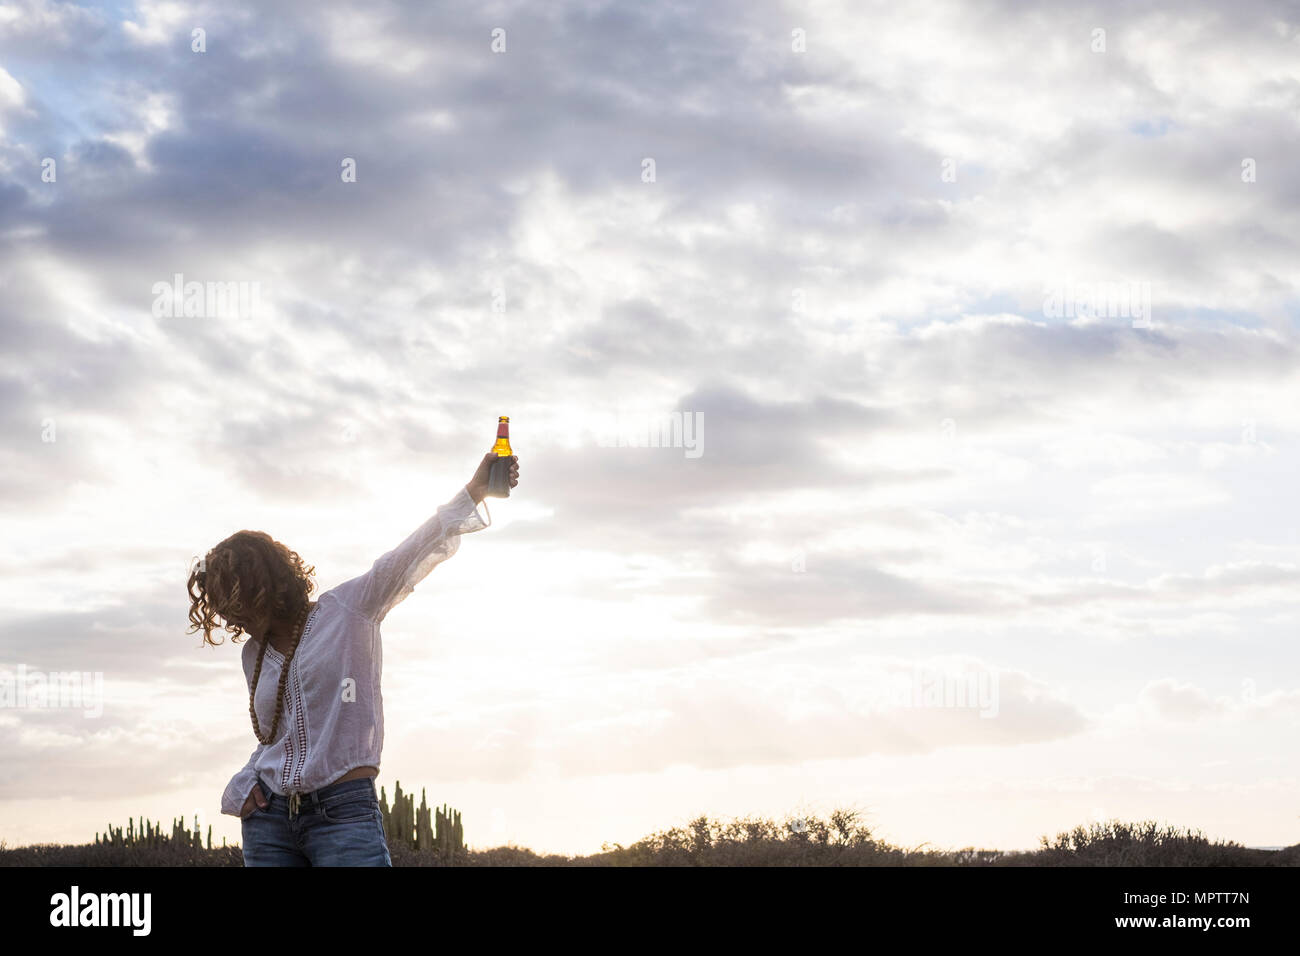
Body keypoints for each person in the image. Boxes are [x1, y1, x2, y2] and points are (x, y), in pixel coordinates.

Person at [186, 452, 520, 866]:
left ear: (265, 587)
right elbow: (275, 737)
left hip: (342, 814)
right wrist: (243, 782)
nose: (231, 618)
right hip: (269, 820)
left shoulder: (348, 610)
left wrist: (474, 492)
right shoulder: (253, 654)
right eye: (223, 609)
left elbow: (406, 557)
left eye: (237, 604)